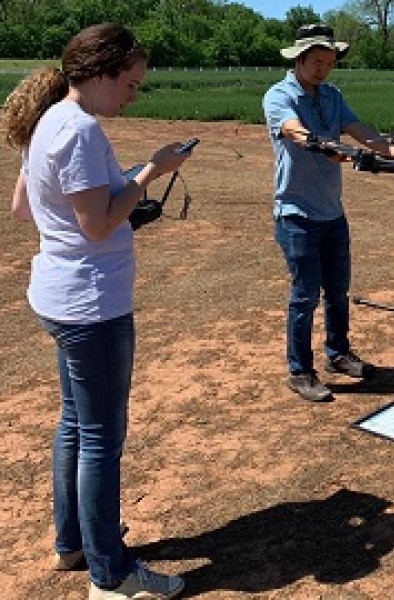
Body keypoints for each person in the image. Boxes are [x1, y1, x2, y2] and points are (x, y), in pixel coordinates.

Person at [2, 23, 191, 598]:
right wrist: (152, 171)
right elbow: (99, 222)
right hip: (91, 305)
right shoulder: (80, 130)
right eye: (130, 84)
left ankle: (74, 544)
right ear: (102, 73)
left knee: (75, 425)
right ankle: (110, 576)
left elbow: (21, 208)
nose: (132, 96)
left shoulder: (48, 122)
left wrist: (116, 181)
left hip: (61, 297)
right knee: (101, 438)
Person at [264, 23, 394, 403]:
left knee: (338, 291)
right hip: (296, 214)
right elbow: (292, 130)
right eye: (316, 61)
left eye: (328, 62)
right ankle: (300, 370)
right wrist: (321, 144)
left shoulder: (332, 95)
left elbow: (357, 128)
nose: (323, 69)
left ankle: (338, 354)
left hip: (332, 212)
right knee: (305, 294)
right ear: (299, 59)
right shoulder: (279, 95)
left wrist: (390, 150)